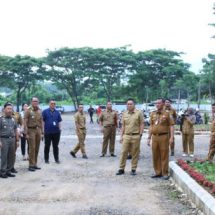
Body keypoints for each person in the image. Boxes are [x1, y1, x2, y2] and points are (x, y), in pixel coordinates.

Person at [147, 98, 174, 180]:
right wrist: (149, 137)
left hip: (164, 137)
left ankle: (165, 173)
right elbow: (151, 126)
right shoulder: (152, 114)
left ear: (163, 104)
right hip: (155, 137)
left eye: (159, 103)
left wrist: (171, 137)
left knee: (164, 155)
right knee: (155, 155)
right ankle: (158, 172)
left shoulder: (167, 114)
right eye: (156, 103)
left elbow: (171, 126)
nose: (157, 104)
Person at [116, 98, 144, 176]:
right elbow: (123, 126)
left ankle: (133, 169)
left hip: (136, 136)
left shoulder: (139, 113)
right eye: (128, 104)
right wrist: (121, 136)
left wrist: (140, 134)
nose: (129, 105)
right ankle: (121, 169)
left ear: (134, 104)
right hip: (126, 136)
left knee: (135, 153)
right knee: (123, 152)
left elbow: (142, 124)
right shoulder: (124, 113)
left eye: (131, 104)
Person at [24, 97, 43, 171]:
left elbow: (41, 121)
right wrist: (26, 133)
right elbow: (25, 122)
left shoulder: (39, 110)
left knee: (37, 148)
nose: (35, 102)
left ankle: (35, 164)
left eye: (37, 101)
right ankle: (30, 165)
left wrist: (42, 132)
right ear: (31, 102)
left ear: (38, 102)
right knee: (32, 148)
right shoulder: (28, 110)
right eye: (34, 101)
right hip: (30, 130)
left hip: (38, 130)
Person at [0, 102, 19, 178]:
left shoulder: (13, 119)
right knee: (4, 156)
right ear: (4, 109)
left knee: (11, 156)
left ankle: (8, 170)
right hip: (4, 139)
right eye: (8, 109)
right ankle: (2, 172)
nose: (10, 110)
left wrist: (17, 140)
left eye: (11, 109)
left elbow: (15, 130)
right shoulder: (1, 119)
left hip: (12, 139)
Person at [42, 99, 62, 164]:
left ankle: (56, 159)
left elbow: (59, 121)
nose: (53, 105)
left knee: (55, 146)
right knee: (47, 146)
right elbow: (43, 122)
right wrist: (43, 131)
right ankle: (46, 159)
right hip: (47, 132)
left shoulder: (57, 112)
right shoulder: (45, 112)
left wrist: (59, 129)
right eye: (51, 103)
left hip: (56, 132)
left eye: (54, 103)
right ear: (49, 104)